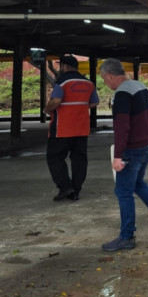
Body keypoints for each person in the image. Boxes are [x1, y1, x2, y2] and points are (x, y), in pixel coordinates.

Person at [99, 58, 148, 252]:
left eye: (104, 79)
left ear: (110, 76)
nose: (105, 84)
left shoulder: (122, 94)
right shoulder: (139, 86)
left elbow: (122, 127)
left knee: (123, 192)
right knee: (138, 184)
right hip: (146, 146)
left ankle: (127, 237)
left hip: (131, 150)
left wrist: (117, 156)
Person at [44, 55, 99, 201]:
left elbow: (55, 101)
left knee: (54, 157)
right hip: (81, 129)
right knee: (79, 159)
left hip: (62, 128)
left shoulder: (62, 81)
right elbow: (94, 103)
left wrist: (46, 109)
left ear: (64, 66)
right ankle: (76, 189)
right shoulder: (88, 83)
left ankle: (65, 187)